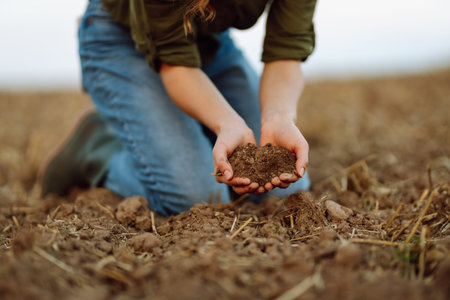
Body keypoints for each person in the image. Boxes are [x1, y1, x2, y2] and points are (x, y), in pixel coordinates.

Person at [40, 0, 317, 216]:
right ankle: (98, 145)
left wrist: (278, 117)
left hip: (205, 37)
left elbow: (285, 54)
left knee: (285, 191)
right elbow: (178, 67)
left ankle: (185, 138)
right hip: (120, 39)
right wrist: (227, 124)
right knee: (195, 196)